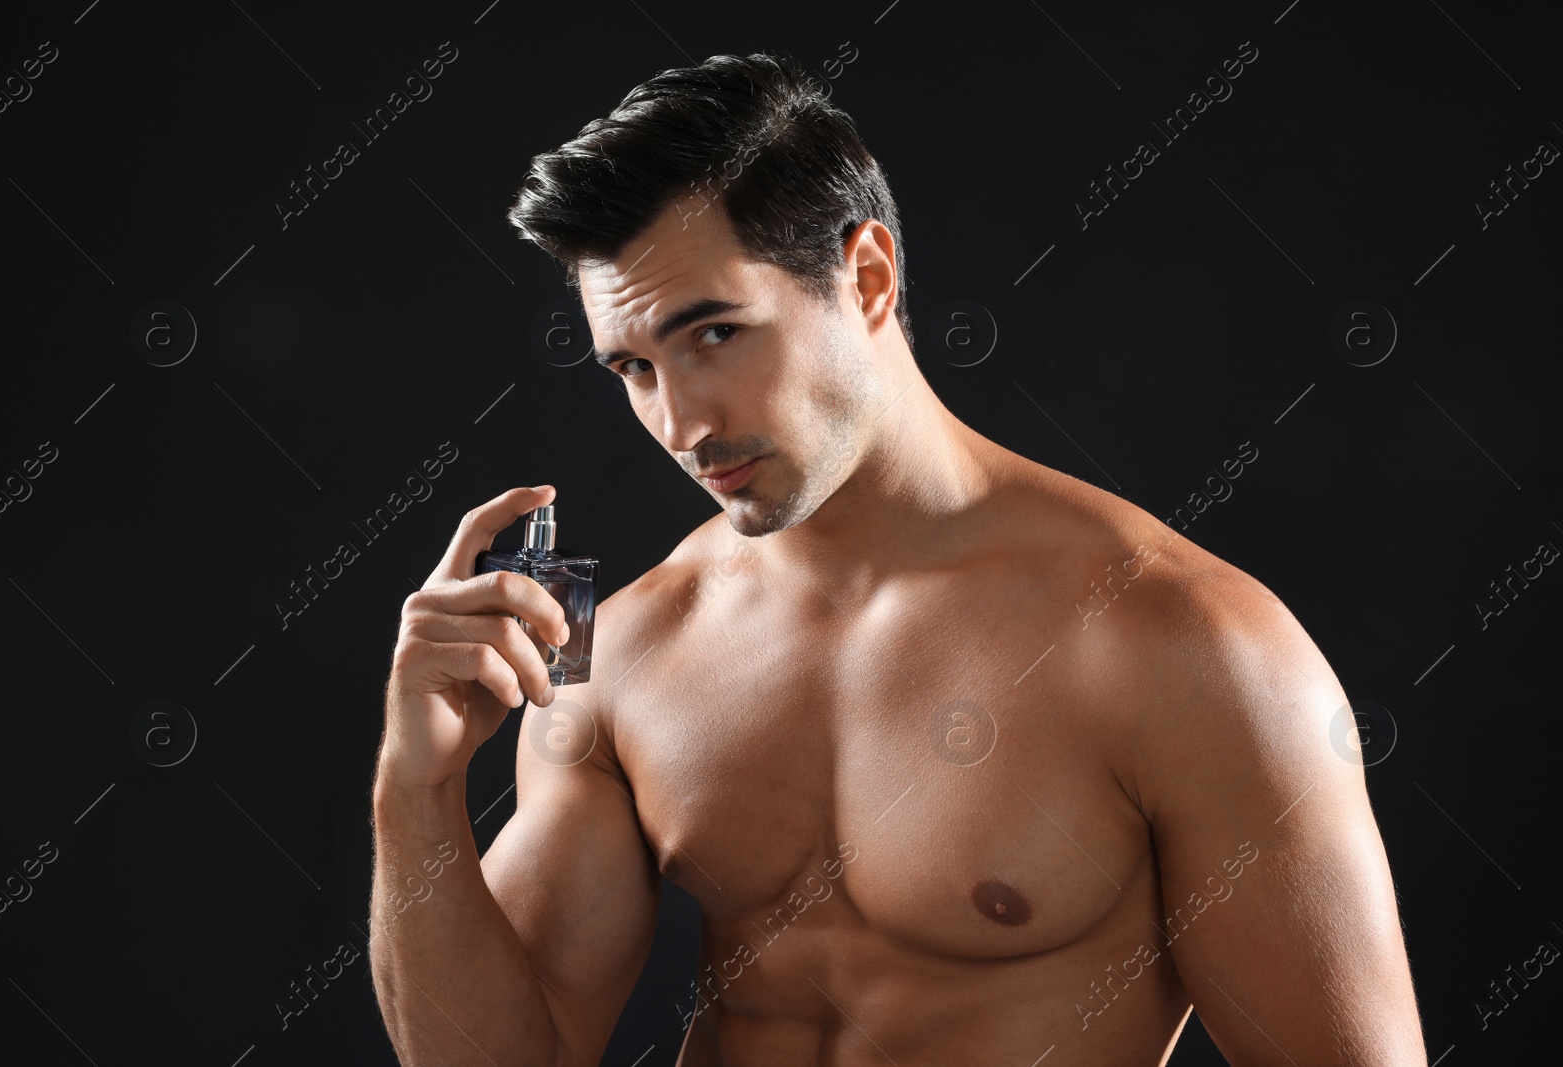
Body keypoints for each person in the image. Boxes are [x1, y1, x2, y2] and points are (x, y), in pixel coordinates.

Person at [369, 52, 1428, 1065]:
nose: (681, 421)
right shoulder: (632, 643)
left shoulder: (1179, 641)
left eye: (715, 334)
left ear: (866, 276)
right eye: (633, 368)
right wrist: (417, 788)